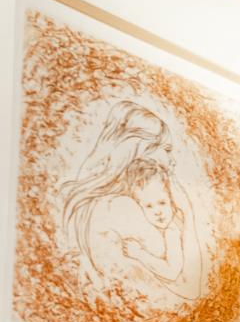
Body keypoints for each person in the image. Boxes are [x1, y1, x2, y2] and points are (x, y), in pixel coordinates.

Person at [55, 100, 207, 306]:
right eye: (167, 149)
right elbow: (190, 287)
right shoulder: (122, 207)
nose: (173, 160)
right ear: (142, 148)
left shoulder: (106, 202)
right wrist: (188, 213)